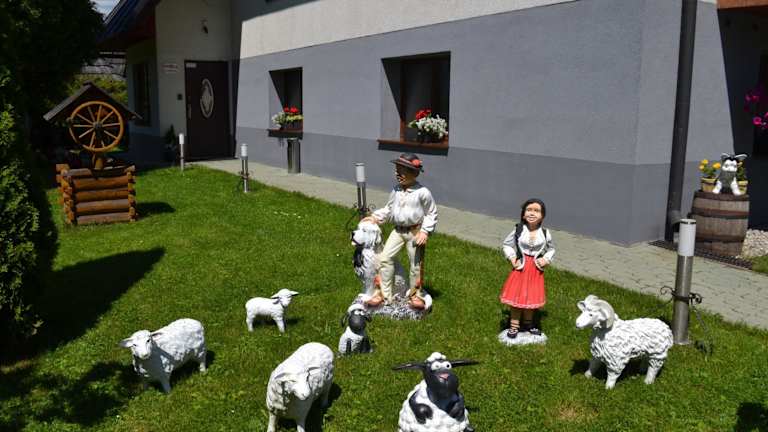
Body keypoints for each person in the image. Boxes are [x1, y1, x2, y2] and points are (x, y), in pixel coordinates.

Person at [365, 153, 438, 309]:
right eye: (396, 170)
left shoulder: (423, 192)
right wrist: (375, 217)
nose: (397, 174)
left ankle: (416, 295)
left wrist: (425, 231)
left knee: (415, 264)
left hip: (415, 232)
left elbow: (431, 213)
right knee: (385, 258)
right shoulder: (396, 190)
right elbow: (389, 208)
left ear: (414, 173)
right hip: (398, 231)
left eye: (401, 171)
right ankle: (383, 294)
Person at [499, 198, 555, 338]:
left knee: (531, 297)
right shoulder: (518, 230)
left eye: (536, 211)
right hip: (521, 269)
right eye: (529, 210)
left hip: (535, 270)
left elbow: (552, 249)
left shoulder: (545, 233)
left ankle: (528, 324)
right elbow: (507, 244)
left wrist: (546, 259)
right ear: (523, 214)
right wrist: (512, 258)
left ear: (542, 215)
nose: (532, 213)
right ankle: (514, 325)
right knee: (517, 297)